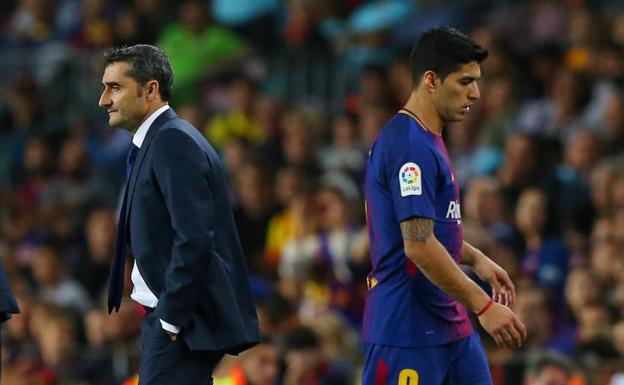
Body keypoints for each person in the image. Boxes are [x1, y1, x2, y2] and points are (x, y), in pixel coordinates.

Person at [361, 26, 527, 385]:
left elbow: (424, 227)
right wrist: (483, 306)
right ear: (432, 80)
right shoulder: (409, 146)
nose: (476, 93)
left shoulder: (426, 137)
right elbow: (417, 243)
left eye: (477, 80)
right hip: (407, 330)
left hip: (448, 324)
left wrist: (476, 258)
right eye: (465, 81)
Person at [99, 44, 259, 385]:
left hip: (181, 323)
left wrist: (170, 318)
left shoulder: (172, 141)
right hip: (170, 320)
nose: (103, 100)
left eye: (114, 87)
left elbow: (195, 238)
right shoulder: (160, 140)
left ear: (150, 89)